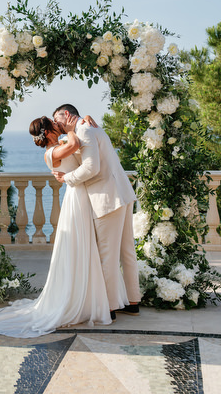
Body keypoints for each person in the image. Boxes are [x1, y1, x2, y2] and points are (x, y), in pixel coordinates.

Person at [0, 115, 127, 338]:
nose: (58, 125)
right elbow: (75, 143)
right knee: (78, 248)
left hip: (85, 197)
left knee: (89, 249)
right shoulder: (52, 153)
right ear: (47, 132)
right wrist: (74, 125)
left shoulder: (60, 145)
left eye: (59, 122)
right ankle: (80, 300)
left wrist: (79, 122)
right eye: (54, 124)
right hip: (76, 200)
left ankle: (91, 297)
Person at [52, 104, 141, 318]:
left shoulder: (84, 130)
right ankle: (133, 300)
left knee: (107, 255)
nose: (58, 125)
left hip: (107, 198)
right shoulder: (90, 127)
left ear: (67, 114)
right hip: (123, 193)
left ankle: (109, 307)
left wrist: (67, 178)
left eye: (58, 119)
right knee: (127, 250)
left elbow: (92, 168)